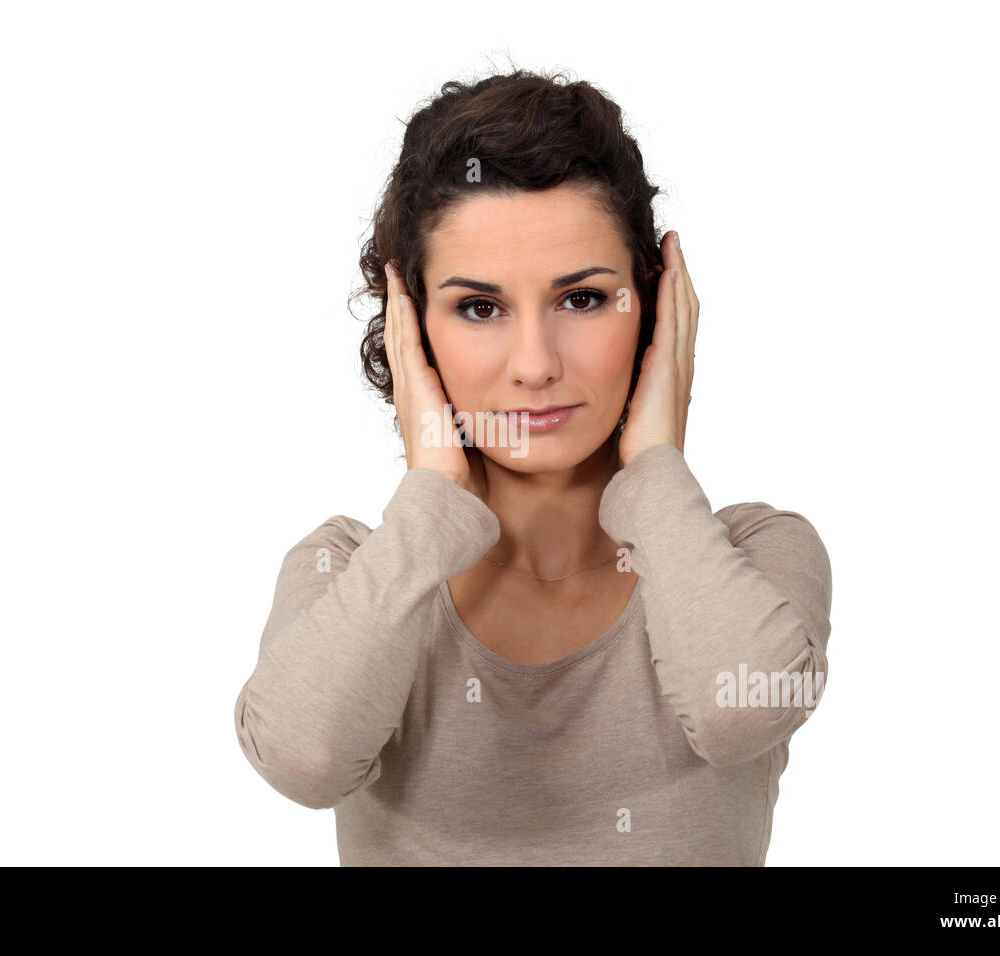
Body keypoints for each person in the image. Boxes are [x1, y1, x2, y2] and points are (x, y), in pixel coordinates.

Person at [234, 68, 832, 865]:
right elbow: (303, 761)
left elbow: (737, 715)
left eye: (582, 299)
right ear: (411, 329)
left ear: (653, 308)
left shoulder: (759, 555)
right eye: (479, 308)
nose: (535, 365)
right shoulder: (345, 571)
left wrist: (655, 466)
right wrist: (433, 492)